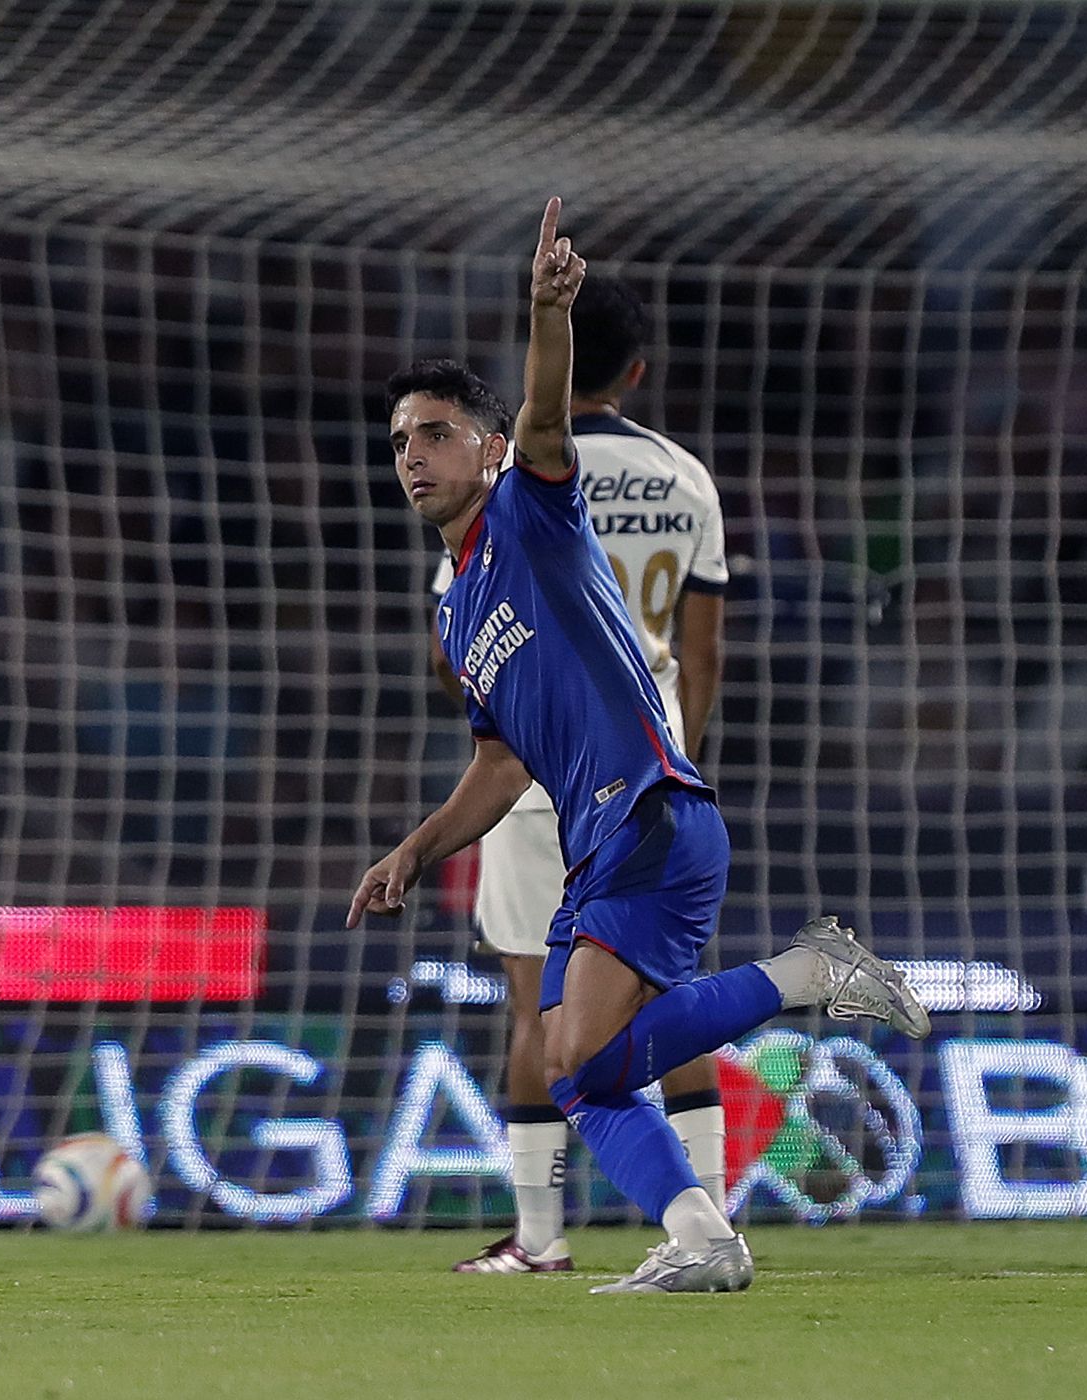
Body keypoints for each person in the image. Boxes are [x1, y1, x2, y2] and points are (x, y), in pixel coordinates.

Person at [350, 199, 929, 1294]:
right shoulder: (459, 610)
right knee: (581, 1070)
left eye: (433, 432)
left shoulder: (531, 508)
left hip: (649, 814)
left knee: (581, 1053)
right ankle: (704, 1234)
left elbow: (551, 423)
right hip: (597, 838)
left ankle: (812, 970)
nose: (411, 456)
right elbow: (499, 762)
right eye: (397, 442)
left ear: (488, 444)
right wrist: (416, 851)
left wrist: (546, 314)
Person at [426, 272, 730, 1275]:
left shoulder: (504, 476)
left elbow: (461, 640)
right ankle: (706, 1212)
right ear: (637, 370)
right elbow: (702, 648)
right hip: (649, 762)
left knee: (535, 1006)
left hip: (538, 765)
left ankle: (542, 1237)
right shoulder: (684, 476)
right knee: (666, 991)